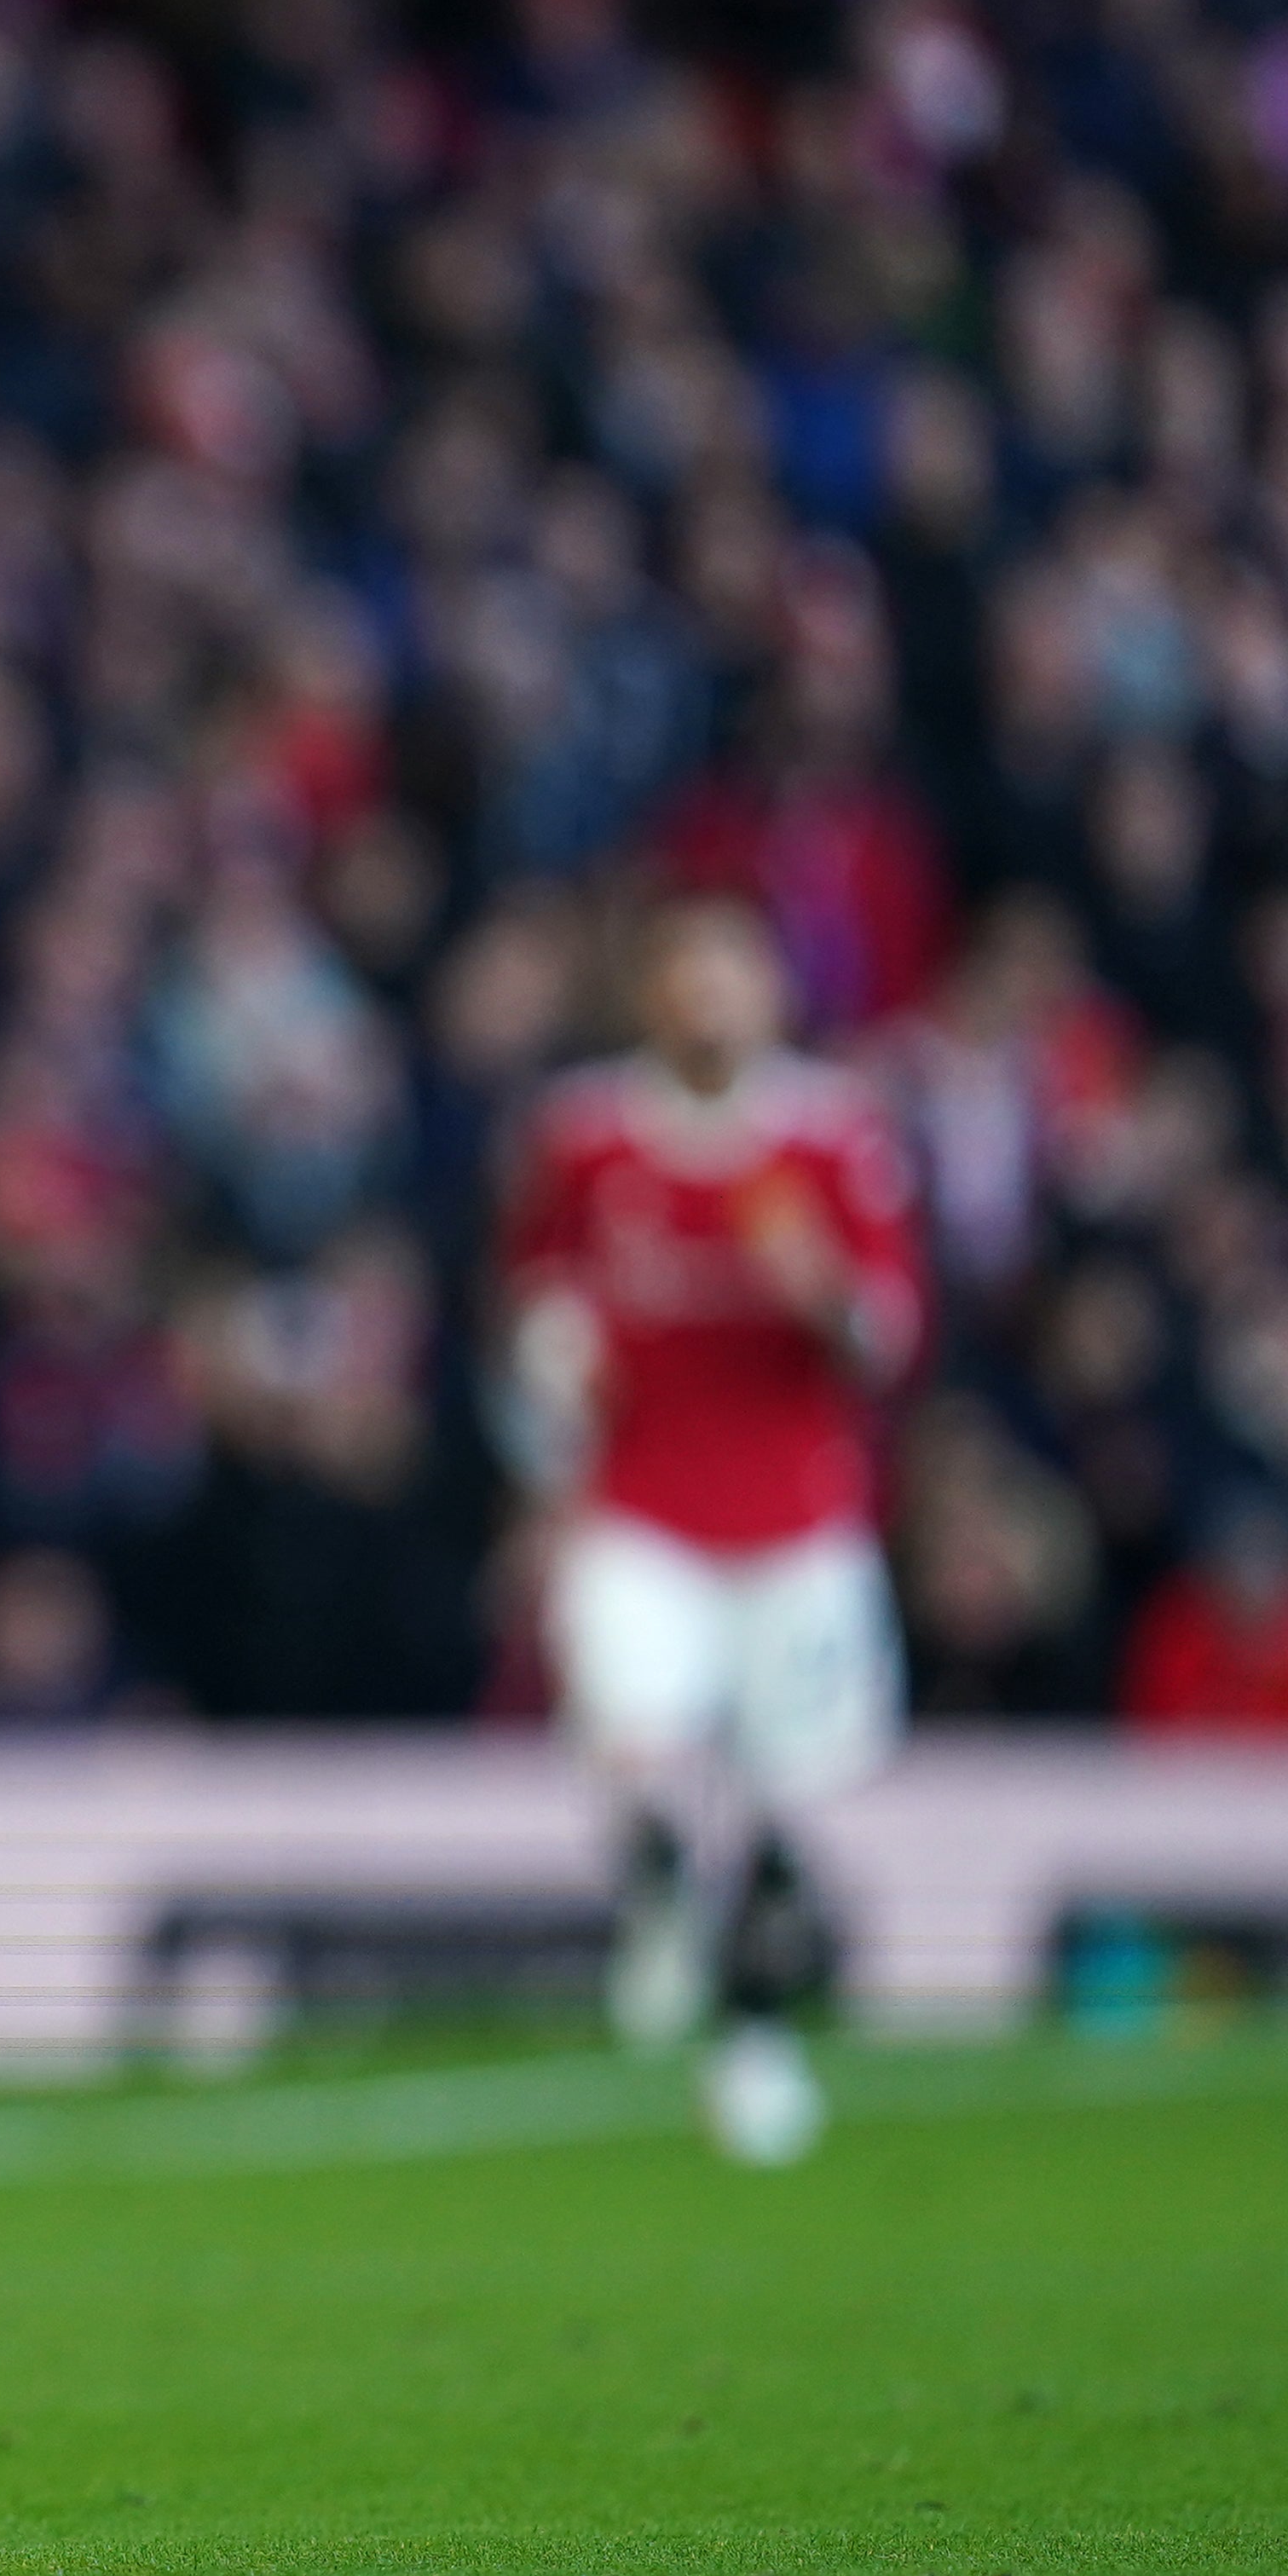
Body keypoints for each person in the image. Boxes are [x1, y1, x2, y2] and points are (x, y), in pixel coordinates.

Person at [500, 892, 926, 2166]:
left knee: (796, 1796)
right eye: (684, 975)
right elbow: (537, 1291)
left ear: (770, 993)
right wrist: (546, 1377)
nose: (707, 999)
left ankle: (752, 2036)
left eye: (730, 974)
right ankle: (657, 1880)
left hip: (796, 1518)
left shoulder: (831, 1136)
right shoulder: (583, 1137)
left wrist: (827, 1302)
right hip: (642, 1506)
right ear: (649, 996)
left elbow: (890, 1338)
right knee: (629, 1736)